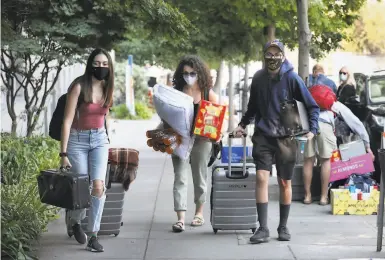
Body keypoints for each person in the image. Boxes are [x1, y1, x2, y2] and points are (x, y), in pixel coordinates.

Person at [233, 39, 320, 244]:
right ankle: (263, 228)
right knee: (262, 178)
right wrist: (242, 124)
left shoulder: (292, 78)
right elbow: (253, 106)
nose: (272, 57)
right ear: (264, 55)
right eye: (269, 53)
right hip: (263, 135)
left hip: (286, 138)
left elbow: (312, 106)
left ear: (283, 54)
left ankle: (283, 226)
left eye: (276, 53)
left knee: (284, 182)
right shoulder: (259, 78)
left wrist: (312, 130)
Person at [60, 48, 114, 252]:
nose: (101, 67)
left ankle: (93, 235)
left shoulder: (109, 86)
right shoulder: (78, 86)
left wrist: (109, 139)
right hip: (78, 140)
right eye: (97, 63)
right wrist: (63, 154)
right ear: (91, 64)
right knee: (81, 187)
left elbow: (106, 115)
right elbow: (66, 121)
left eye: (105, 64)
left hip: (99, 139)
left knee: (98, 187)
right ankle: (74, 221)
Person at [170, 55, 218, 232]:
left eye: (192, 73)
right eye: (185, 73)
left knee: (200, 176)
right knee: (180, 177)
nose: (189, 76)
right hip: (179, 139)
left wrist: (214, 135)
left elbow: (216, 119)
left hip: (201, 140)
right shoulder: (176, 92)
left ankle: (199, 212)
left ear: (200, 73)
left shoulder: (207, 93)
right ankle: (180, 218)